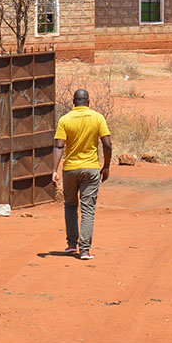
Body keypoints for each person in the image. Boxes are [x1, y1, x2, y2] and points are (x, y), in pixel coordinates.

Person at [52, 88, 112, 261]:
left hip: (70, 169)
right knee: (88, 210)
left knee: (70, 206)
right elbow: (107, 144)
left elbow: (59, 146)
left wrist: (54, 170)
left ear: (73, 102)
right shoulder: (97, 118)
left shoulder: (65, 120)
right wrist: (106, 166)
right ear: (88, 102)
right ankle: (84, 250)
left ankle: (72, 244)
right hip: (91, 169)